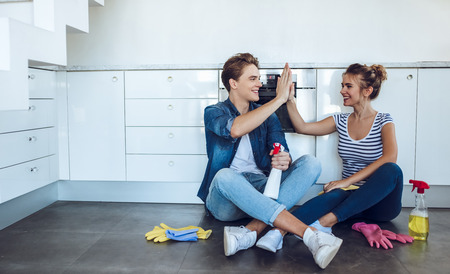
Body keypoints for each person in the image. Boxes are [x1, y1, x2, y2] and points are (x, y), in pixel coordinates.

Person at [197, 53, 343, 269]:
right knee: (224, 176)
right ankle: (309, 235)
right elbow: (235, 129)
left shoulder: (269, 117)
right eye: (253, 79)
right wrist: (278, 100)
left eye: (259, 78)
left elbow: (281, 150)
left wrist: (284, 158)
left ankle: (250, 232)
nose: (260, 83)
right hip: (226, 198)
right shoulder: (214, 112)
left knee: (311, 163)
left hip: (260, 190)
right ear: (233, 83)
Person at [285, 63, 403, 238]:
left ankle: (325, 222)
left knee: (392, 170)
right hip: (348, 200)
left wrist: (346, 181)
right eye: (342, 85)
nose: (342, 91)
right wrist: (289, 99)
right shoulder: (340, 120)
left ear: (367, 91)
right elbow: (302, 127)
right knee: (332, 195)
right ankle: (276, 232)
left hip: (381, 205)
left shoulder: (383, 120)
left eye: (348, 86)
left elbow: (390, 157)